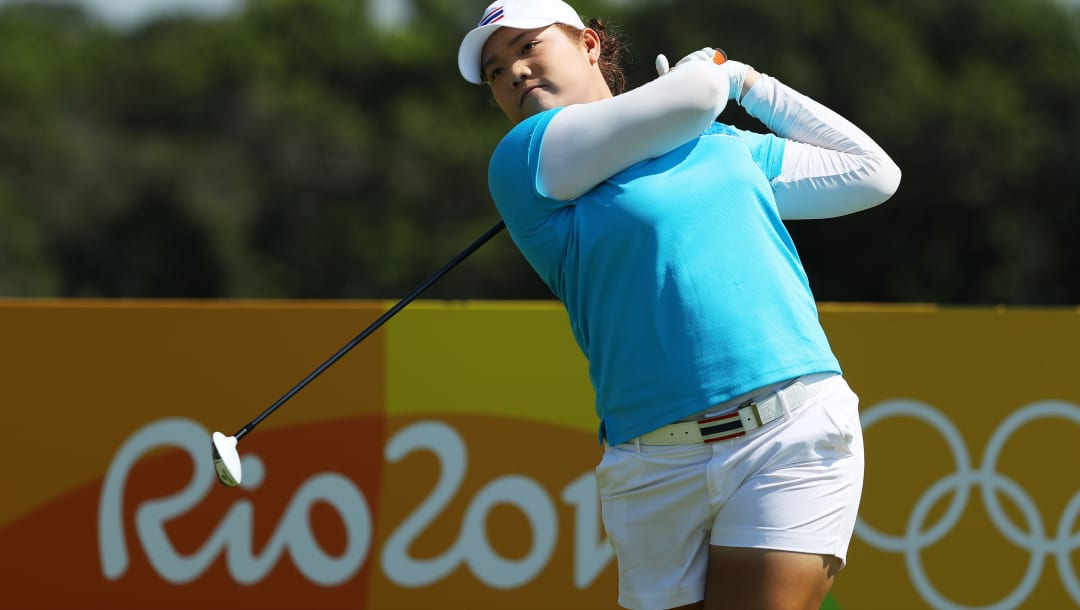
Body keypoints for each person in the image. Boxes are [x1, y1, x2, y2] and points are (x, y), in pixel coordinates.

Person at [457, 1, 901, 609]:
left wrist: (748, 83)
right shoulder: (522, 159)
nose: (512, 71)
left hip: (787, 433)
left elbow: (871, 172)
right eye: (494, 70)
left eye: (528, 45)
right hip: (651, 464)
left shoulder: (715, 142)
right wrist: (706, 78)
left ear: (589, 43)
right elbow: (693, 95)